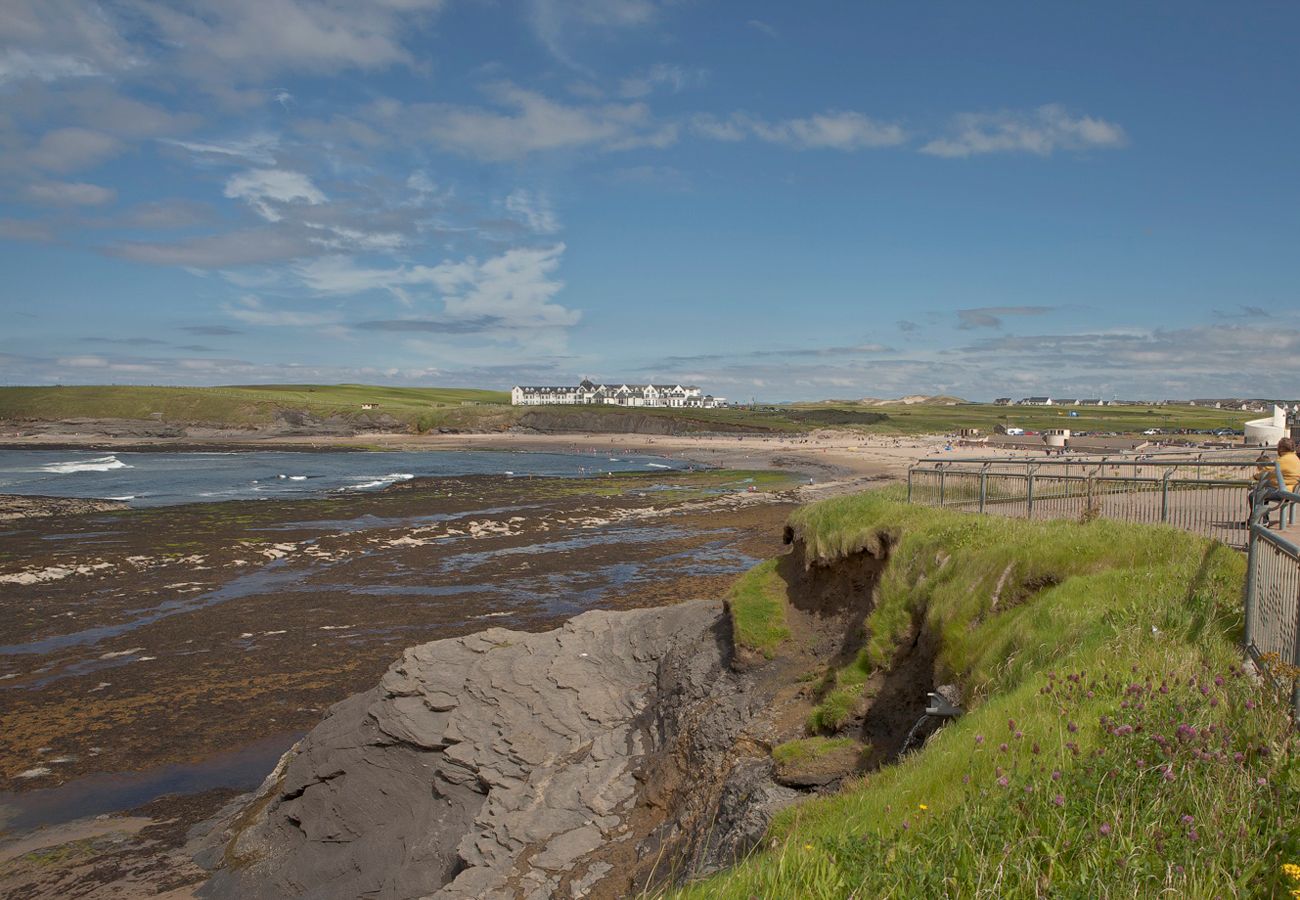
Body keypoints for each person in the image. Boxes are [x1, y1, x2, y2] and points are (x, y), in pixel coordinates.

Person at [1250, 437, 1300, 526]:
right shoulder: (1295, 459)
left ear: (1281, 448)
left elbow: (1267, 471)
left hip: (1284, 492)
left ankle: (1261, 520)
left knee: (1254, 495)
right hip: (1293, 491)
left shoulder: (1283, 460)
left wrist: (1254, 477)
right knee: (1263, 492)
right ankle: (1256, 519)